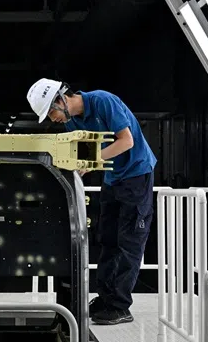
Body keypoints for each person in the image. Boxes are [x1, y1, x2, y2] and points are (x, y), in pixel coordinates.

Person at [26, 78, 157, 326]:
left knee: (129, 242)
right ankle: (106, 297)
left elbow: (126, 141)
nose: (53, 119)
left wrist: (88, 162)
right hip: (113, 176)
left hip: (136, 174)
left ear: (61, 99)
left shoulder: (103, 101)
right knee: (107, 239)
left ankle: (119, 306)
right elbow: (85, 158)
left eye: (51, 112)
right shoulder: (72, 122)